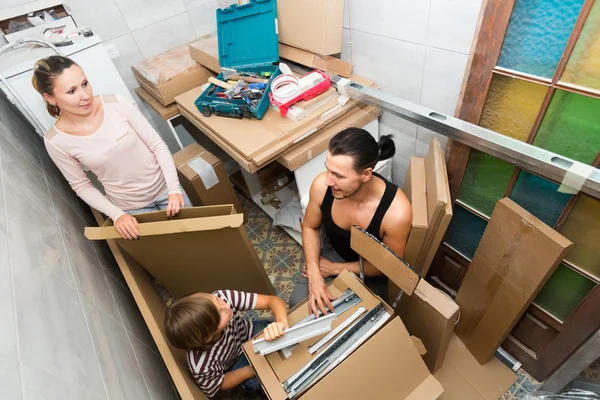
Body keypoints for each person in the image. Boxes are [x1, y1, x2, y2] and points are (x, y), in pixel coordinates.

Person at [32, 55, 191, 240]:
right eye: (72, 91)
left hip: (168, 190)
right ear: (50, 98)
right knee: (172, 255)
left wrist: (173, 189)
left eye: (85, 83)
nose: (85, 95)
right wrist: (118, 215)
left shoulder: (115, 103)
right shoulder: (56, 141)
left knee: (199, 241)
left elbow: (157, 145)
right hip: (131, 210)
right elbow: (81, 186)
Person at [288, 128, 413, 316]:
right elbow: (310, 226)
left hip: (371, 270)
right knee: (298, 304)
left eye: (338, 175)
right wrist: (314, 272)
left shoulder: (396, 213)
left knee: (348, 321)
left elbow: (387, 266)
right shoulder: (322, 186)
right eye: (327, 169)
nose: (329, 181)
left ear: (366, 174)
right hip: (334, 252)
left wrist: (335, 269)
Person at [164, 290, 288, 398]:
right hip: (236, 362)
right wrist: (251, 370)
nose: (227, 306)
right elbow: (220, 383)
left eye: (217, 300)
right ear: (208, 337)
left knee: (281, 335)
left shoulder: (222, 296)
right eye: (219, 314)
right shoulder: (200, 365)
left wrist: (281, 322)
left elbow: (272, 300)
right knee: (258, 380)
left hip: (249, 334)